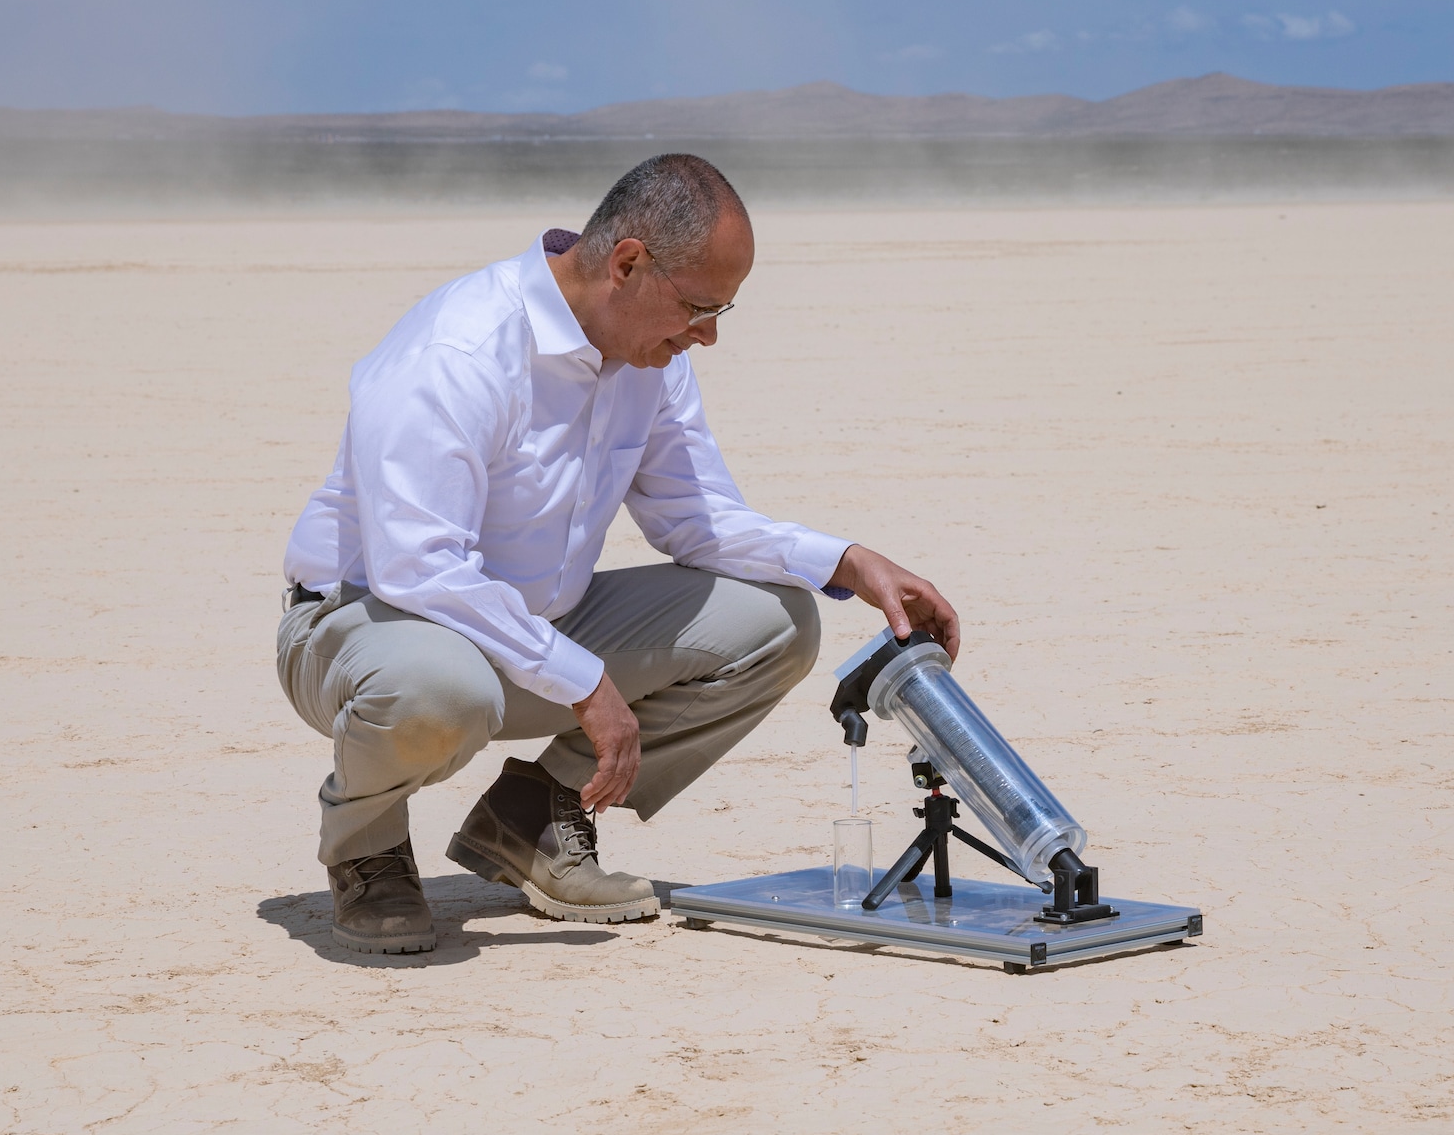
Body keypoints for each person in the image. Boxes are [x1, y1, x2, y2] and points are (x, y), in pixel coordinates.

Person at [277, 153, 960, 955]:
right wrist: (583, 680)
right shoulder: (459, 348)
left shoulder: (650, 358)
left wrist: (849, 562)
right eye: (700, 306)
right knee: (442, 686)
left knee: (779, 621)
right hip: (365, 627)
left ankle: (532, 818)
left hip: (534, 628)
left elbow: (698, 521)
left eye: (723, 311)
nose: (708, 334)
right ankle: (366, 845)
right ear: (628, 263)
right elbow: (418, 567)